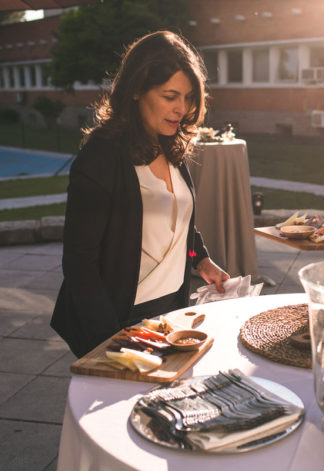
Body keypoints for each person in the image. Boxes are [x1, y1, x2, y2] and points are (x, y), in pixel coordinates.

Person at [51, 31, 229, 358]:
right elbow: (79, 263)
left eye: (188, 97)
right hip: (118, 319)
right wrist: (110, 339)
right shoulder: (100, 158)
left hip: (171, 313)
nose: (181, 108)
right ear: (135, 90)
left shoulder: (170, 145)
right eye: (169, 96)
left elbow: (178, 220)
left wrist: (200, 259)